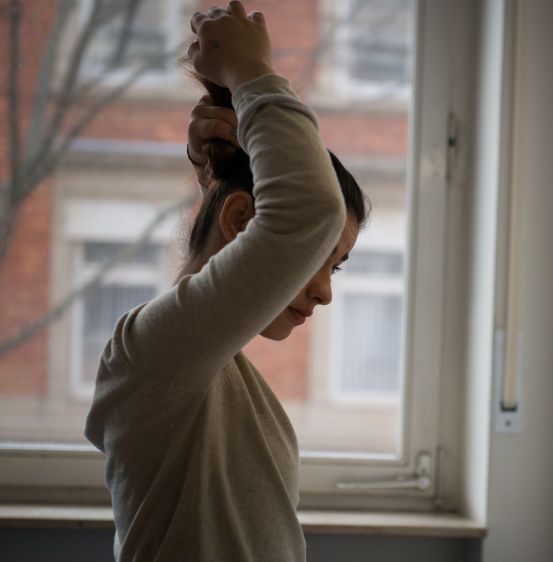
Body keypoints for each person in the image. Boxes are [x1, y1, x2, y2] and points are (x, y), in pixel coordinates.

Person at [84, 3, 367, 560]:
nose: (325, 291)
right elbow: (302, 212)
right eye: (317, 258)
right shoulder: (157, 351)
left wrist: (213, 172)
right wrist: (253, 76)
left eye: (333, 265)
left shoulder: (197, 361)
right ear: (241, 220)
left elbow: (231, 258)